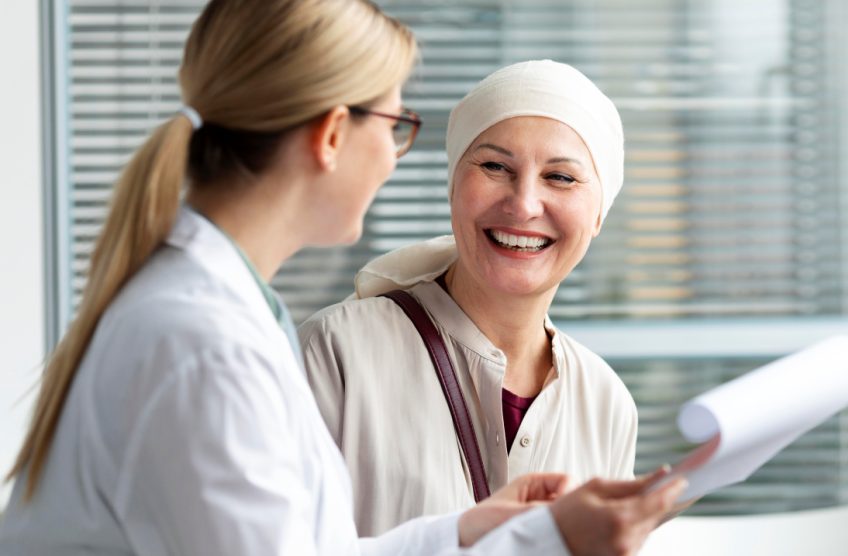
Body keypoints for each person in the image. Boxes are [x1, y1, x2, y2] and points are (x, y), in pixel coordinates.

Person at [0, 1, 686, 556]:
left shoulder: (220, 316)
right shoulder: (208, 345)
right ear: (332, 135)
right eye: (394, 124)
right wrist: (539, 541)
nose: (393, 156)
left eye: (561, 177)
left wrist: (470, 529)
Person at [298, 60, 644, 536]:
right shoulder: (336, 352)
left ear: (599, 213)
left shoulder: (605, 402)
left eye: (561, 177)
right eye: (495, 166)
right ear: (453, 185)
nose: (523, 204)